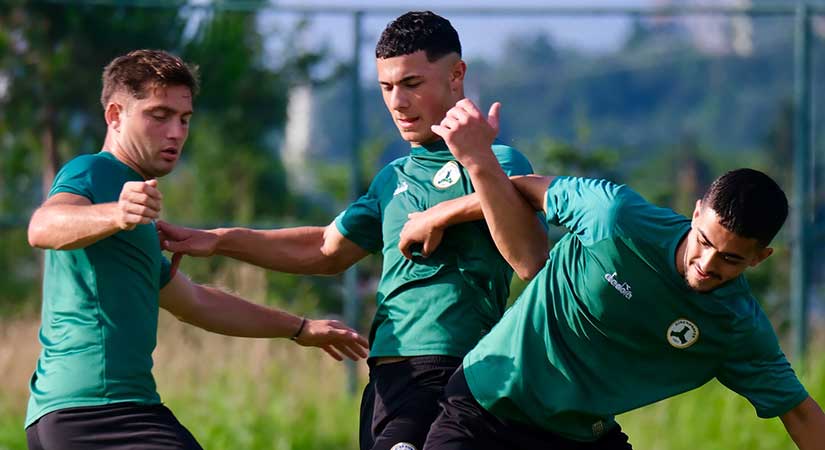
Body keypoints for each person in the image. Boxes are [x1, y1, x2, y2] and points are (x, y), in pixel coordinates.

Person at [157, 11, 547, 450]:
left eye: (412, 84)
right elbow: (326, 249)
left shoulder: (496, 165)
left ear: (456, 75)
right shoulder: (391, 179)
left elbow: (530, 260)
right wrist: (222, 241)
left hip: (456, 373)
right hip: (388, 381)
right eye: (386, 88)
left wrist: (449, 202)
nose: (397, 102)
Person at [407, 99, 825, 449]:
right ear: (695, 213)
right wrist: (438, 216)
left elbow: (801, 413)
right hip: (487, 402)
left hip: (579, 435)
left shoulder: (737, 327)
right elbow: (524, 188)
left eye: (731, 259)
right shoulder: (615, 218)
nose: (708, 263)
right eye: (705, 241)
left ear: (759, 258)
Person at [24, 49, 369, 450]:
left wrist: (299, 328)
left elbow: (195, 303)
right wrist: (117, 213)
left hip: (93, 413)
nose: (175, 132)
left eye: (184, 119)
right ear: (115, 115)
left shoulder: (136, 216)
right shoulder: (95, 172)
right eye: (159, 115)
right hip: (97, 412)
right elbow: (42, 227)